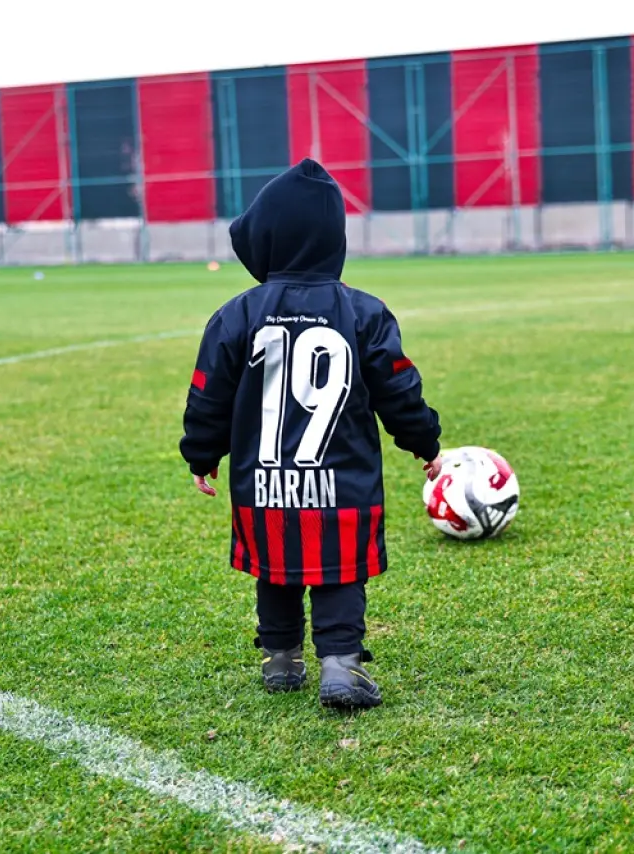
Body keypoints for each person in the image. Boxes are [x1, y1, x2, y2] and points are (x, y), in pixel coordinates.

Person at [179, 159, 442, 710]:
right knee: (339, 570)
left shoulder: (236, 315)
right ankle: (341, 665)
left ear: (267, 238)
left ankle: (281, 658)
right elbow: (400, 389)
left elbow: (208, 394)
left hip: (263, 484)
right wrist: (424, 443)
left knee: (275, 568)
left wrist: (201, 453)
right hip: (342, 483)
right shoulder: (363, 312)